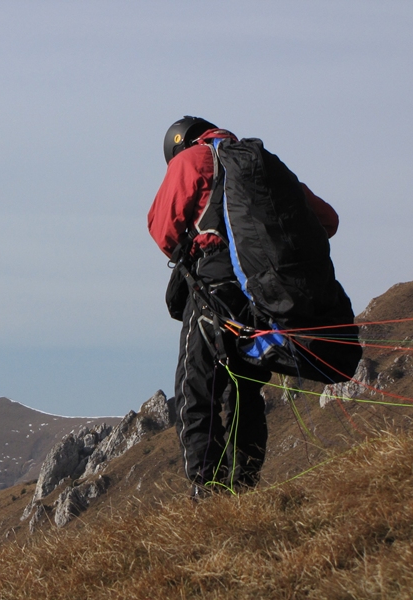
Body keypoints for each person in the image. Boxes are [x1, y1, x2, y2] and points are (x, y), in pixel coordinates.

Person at [148, 117, 339, 498]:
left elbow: (162, 228)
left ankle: (208, 488)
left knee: (195, 386)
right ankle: (244, 485)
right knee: (246, 391)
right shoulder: (262, 163)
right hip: (261, 297)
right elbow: (327, 221)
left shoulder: (192, 159)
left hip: (211, 289)